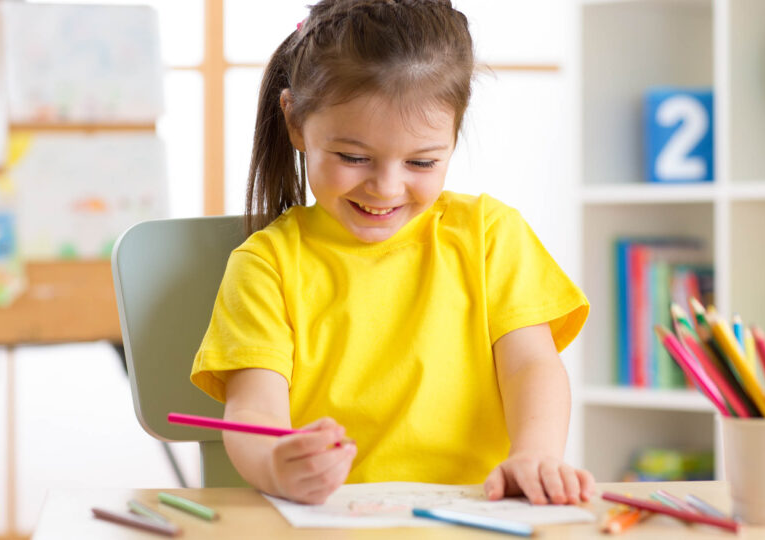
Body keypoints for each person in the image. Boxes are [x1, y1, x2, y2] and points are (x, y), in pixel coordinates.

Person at [190, 0, 593, 507]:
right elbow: (253, 411)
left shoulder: (491, 234)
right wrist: (277, 463)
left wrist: (536, 454)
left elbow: (531, 366)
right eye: (353, 157)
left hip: (480, 512)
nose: (386, 187)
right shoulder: (267, 264)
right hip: (331, 521)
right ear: (295, 121)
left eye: (422, 161)